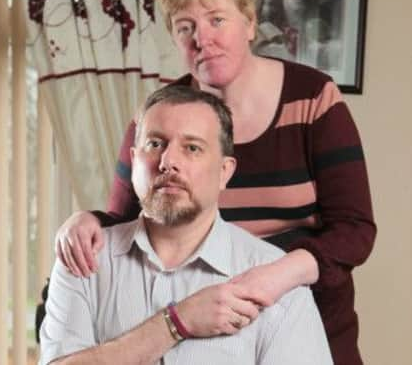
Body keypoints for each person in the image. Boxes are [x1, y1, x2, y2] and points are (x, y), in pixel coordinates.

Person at [55, 0, 375, 365]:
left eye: (216, 20)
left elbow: (354, 230)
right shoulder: (158, 117)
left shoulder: (313, 100)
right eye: (185, 27)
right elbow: (129, 218)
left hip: (305, 313)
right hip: (201, 322)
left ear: (250, 23)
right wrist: (85, 221)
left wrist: (276, 276)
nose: (201, 39)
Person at [40, 86, 333, 365]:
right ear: (133, 161)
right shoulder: (83, 260)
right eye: (155, 144)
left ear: (224, 171)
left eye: (192, 148)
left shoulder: (279, 284)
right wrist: (176, 323)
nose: (168, 162)